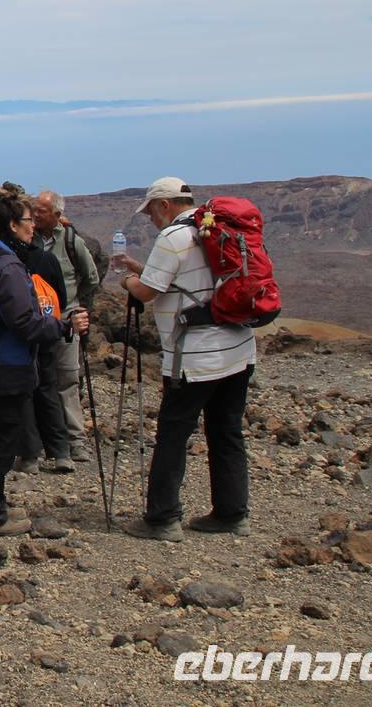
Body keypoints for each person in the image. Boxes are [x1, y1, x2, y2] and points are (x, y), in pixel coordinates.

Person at [118, 177, 257, 542]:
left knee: (173, 434)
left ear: (164, 205)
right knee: (226, 430)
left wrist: (128, 282)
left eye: (150, 211)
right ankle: (232, 514)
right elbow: (185, 279)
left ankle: (162, 519)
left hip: (194, 357)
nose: (150, 219)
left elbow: (147, 292)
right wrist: (141, 269)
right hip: (239, 349)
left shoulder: (173, 237)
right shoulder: (219, 230)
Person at [0, 194, 90, 536]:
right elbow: (25, 323)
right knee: (1, 439)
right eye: (28, 221)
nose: (33, 226)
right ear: (13, 226)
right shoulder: (8, 266)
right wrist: (64, 327)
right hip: (8, 363)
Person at [33, 190, 100, 462]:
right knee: (37, 379)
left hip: (66, 320)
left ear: (57, 215)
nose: (36, 215)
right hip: (36, 321)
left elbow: (91, 277)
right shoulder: (29, 238)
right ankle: (40, 441)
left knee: (67, 378)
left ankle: (75, 441)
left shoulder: (71, 241)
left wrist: (72, 303)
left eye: (41, 211)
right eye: (34, 210)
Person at [13, 231, 74, 475]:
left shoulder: (10, 261)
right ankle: (61, 453)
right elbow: (62, 298)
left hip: (21, 336)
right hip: (47, 333)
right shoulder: (48, 260)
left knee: (25, 393)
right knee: (48, 390)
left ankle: (30, 456)